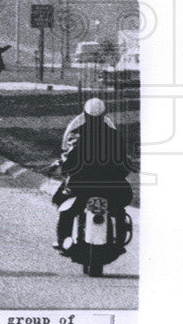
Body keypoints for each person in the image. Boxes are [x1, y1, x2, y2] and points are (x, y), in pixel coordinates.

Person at [51, 98, 134, 252]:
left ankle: (63, 241)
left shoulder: (77, 135)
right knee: (119, 210)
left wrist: (64, 167)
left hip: (82, 186)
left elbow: (69, 161)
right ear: (104, 115)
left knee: (65, 207)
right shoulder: (115, 136)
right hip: (111, 187)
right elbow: (124, 163)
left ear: (86, 115)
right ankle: (119, 241)